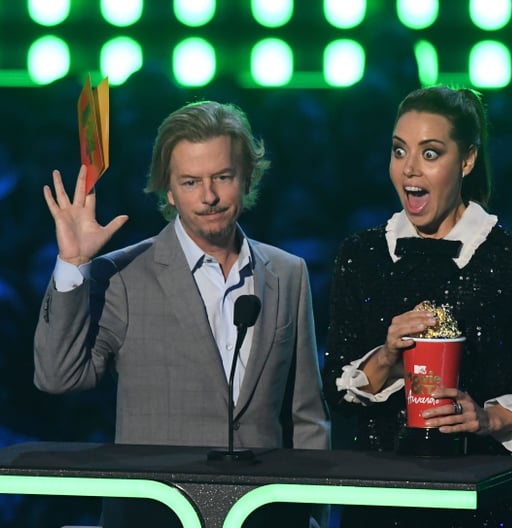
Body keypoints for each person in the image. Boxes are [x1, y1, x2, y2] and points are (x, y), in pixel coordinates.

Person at [34, 100, 330, 527]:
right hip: (155, 516)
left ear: (247, 177)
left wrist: (312, 516)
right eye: (190, 182)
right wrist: (72, 264)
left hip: (266, 518)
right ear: (168, 191)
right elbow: (58, 375)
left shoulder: (288, 273)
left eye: (222, 178)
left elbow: (306, 416)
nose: (208, 197)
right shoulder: (123, 274)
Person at [322, 86, 512, 527]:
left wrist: (490, 417)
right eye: (399, 150)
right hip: (378, 501)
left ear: (467, 160)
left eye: (430, 153)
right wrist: (387, 356)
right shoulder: (362, 255)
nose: (409, 168)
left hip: (479, 502)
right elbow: (336, 390)